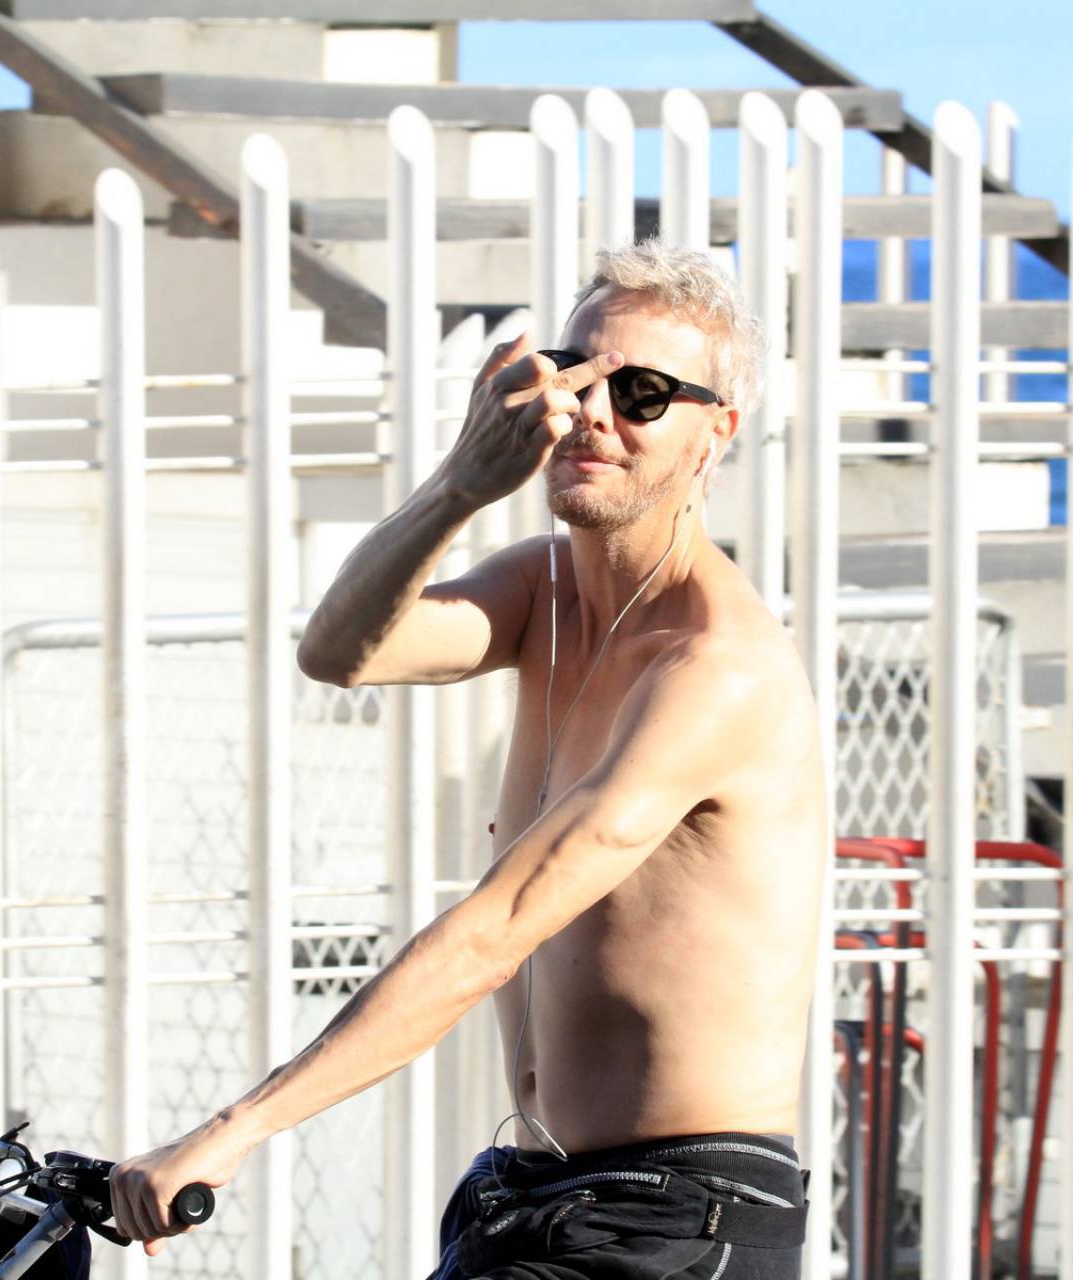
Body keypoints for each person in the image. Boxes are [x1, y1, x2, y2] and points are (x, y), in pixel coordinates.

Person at [110, 239, 831, 1279]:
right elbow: (339, 651)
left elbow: (497, 928)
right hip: (533, 1189)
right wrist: (458, 482)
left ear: (714, 431)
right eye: (573, 376)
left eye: (642, 392)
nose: (594, 413)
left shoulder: (715, 667)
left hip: (680, 1216)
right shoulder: (542, 591)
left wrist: (230, 1132)